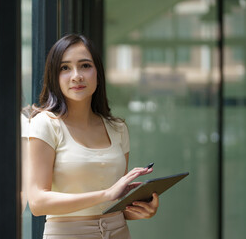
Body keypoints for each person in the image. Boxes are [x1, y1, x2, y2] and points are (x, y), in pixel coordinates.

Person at [28, 34, 159, 239]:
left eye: (85, 66)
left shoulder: (117, 128)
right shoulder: (45, 124)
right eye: (65, 68)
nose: (77, 76)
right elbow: (37, 203)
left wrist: (143, 210)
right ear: (54, 76)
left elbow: (116, 204)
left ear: (98, 72)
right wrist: (105, 194)